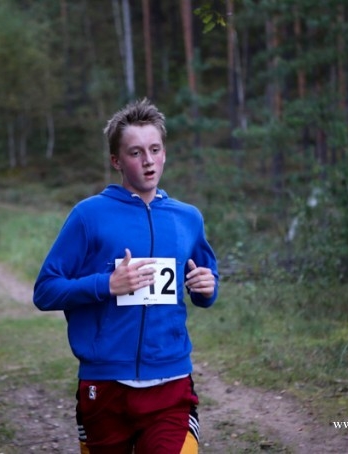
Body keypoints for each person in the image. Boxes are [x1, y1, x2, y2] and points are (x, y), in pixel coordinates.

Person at [33, 98, 219, 453]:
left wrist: (206, 289)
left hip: (171, 384)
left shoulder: (188, 218)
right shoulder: (88, 215)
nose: (148, 161)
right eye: (136, 152)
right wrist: (106, 285)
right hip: (105, 386)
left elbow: (205, 285)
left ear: (164, 153)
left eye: (155, 150)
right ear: (116, 161)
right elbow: (45, 291)